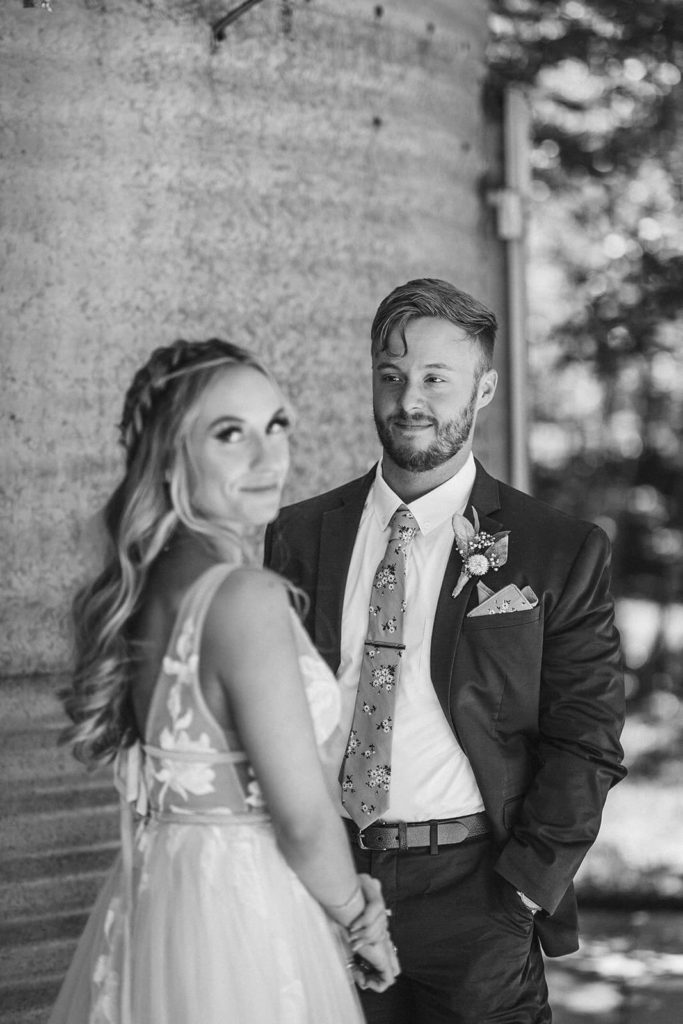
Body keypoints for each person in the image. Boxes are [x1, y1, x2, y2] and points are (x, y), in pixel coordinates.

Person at [265, 278, 627, 1024]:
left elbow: (586, 737)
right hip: (322, 883)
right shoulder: (298, 536)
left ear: (484, 387)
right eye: (391, 377)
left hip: (474, 900)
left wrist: (524, 887)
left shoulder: (554, 551)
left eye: (435, 377)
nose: (409, 400)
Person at [49, 338, 400, 1024]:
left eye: (275, 426)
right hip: (247, 914)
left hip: (162, 899)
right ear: (172, 452)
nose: (270, 458)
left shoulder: (146, 590)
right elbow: (299, 819)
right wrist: (362, 918)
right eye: (229, 434)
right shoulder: (243, 597)